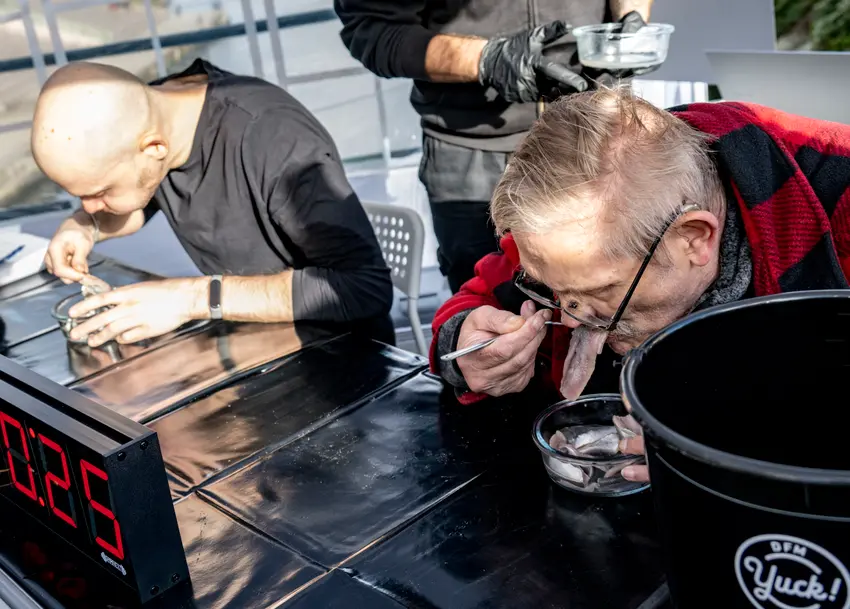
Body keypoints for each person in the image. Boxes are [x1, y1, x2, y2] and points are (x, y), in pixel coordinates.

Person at [430, 86, 850, 481]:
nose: (572, 319)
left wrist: (744, 455)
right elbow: (476, 298)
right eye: (555, 289)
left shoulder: (837, 199)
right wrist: (464, 345)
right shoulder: (582, 213)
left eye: (600, 291)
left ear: (693, 238)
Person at [31, 59, 394, 347]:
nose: (91, 205)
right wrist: (83, 226)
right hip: (251, 340)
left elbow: (364, 288)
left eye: (98, 192)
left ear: (153, 148)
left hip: (345, 358)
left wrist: (188, 298)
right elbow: (141, 201)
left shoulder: (274, 138)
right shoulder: (160, 114)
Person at [335, 0, 656, 293]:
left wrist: (632, 18)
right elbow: (372, 28)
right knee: (493, 315)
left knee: (617, 300)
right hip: (472, 152)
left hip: (596, 129)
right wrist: (487, 60)